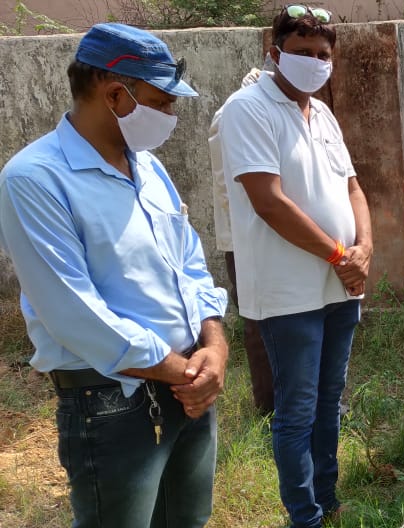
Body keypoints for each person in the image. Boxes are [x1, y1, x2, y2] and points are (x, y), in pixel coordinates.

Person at [0, 23, 228, 526]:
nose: (171, 116)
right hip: (111, 400)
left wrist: (214, 343)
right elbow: (73, 313)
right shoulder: (35, 178)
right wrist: (182, 371)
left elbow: (188, 262)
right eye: (162, 102)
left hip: (188, 386)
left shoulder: (148, 167)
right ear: (115, 95)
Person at [217, 6, 372, 527]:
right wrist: (338, 256)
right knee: (297, 410)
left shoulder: (321, 113)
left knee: (330, 401)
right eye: (301, 53)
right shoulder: (247, 109)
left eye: (322, 55)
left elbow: (352, 187)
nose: (313, 62)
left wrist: (365, 249)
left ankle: (328, 499)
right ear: (273, 52)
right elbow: (270, 202)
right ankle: (304, 515)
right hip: (290, 293)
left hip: (341, 288)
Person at [209, 66, 274, 415]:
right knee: (259, 320)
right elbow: (227, 188)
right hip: (246, 238)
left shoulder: (272, 108)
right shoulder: (232, 113)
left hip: (274, 233)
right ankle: (269, 405)